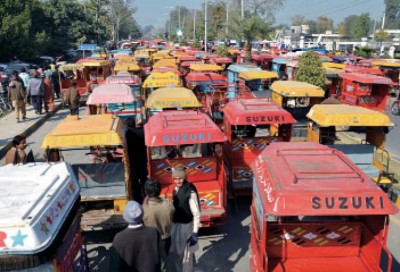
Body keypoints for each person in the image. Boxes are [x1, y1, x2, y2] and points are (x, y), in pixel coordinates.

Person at [109, 200, 167, 272]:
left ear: (125, 217)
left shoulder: (119, 238)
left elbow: (114, 268)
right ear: (142, 214)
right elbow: (163, 264)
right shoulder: (154, 233)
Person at [170, 167, 201, 272]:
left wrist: (194, 233)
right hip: (176, 225)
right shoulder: (175, 189)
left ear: (184, 178)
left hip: (186, 226)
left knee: (187, 254)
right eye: (175, 178)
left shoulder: (190, 192)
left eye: (180, 178)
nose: (178, 181)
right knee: (177, 253)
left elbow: (196, 213)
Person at [142, 179, 175, 255]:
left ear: (146, 192)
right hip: (166, 239)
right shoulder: (169, 205)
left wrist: (146, 197)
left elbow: (144, 205)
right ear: (160, 191)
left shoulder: (144, 209)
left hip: (152, 240)